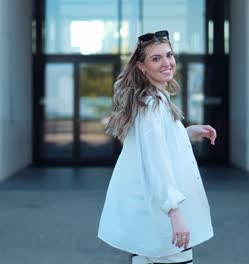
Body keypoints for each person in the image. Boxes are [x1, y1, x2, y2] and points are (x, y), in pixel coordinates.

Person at [97, 30, 216, 264]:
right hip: (161, 219)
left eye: (169, 55)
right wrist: (174, 213)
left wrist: (186, 132)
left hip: (150, 219)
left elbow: (156, 143)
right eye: (156, 58)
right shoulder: (152, 104)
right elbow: (155, 161)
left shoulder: (153, 100)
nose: (166, 63)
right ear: (141, 67)